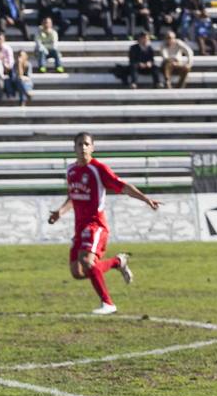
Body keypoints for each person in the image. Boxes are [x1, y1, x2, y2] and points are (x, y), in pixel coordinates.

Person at [47, 132, 158, 315]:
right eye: (79, 144)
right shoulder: (71, 171)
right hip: (80, 227)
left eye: (86, 144)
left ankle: (108, 303)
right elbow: (73, 197)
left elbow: (122, 186)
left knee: (87, 261)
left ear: (93, 147)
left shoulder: (98, 169)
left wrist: (146, 199)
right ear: (73, 148)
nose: (83, 147)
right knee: (77, 272)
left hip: (96, 225)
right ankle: (117, 261)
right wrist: (60, 211)